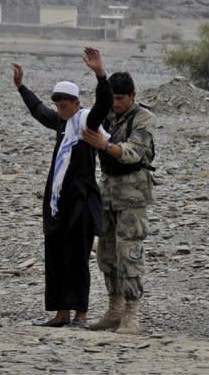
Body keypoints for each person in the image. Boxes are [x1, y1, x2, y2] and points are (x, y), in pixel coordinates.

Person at [13, 47, 112, 328]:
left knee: (77, 258)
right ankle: (60, 312)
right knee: (55, 256)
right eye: (57, 104)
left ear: (75, 102)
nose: (60, 108)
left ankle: (80, 313)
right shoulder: (61, 123)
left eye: (65, 104)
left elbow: (104, 104)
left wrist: (100, 74)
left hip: (80, 202)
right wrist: (21, 86)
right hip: (57, 203)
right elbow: (37, 110)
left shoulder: (86, 122)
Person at [82, 72, 155, 334]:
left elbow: (134, 152)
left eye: (121, 99)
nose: (116, 104)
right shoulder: (107, 115)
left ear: (133, 96)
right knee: (107, 253)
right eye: (113, 99)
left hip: (132, 194)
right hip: (108, 191)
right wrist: (99, 73)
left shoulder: (143, 118)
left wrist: (106, 144)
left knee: (129, 255)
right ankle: (115, 308)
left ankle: (131, 313)